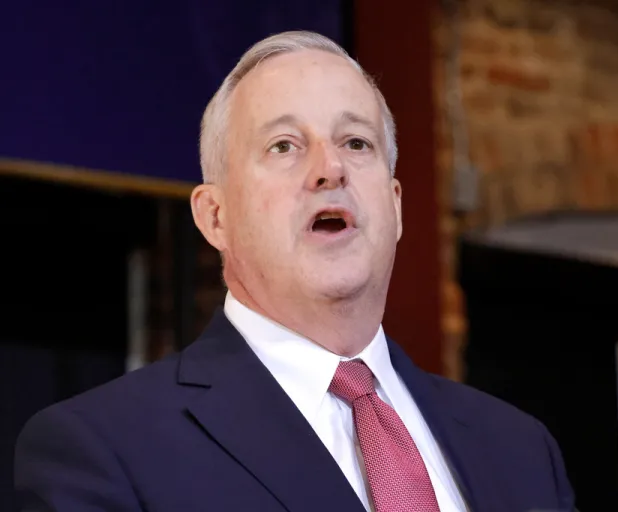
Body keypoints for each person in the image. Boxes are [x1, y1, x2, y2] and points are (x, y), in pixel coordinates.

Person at [14, 31, 576, 512]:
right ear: (215, 216)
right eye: (284, 146)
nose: (330, 168)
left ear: (396, 206)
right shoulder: (105, 448)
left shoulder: (521, 450)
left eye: (356, 142)